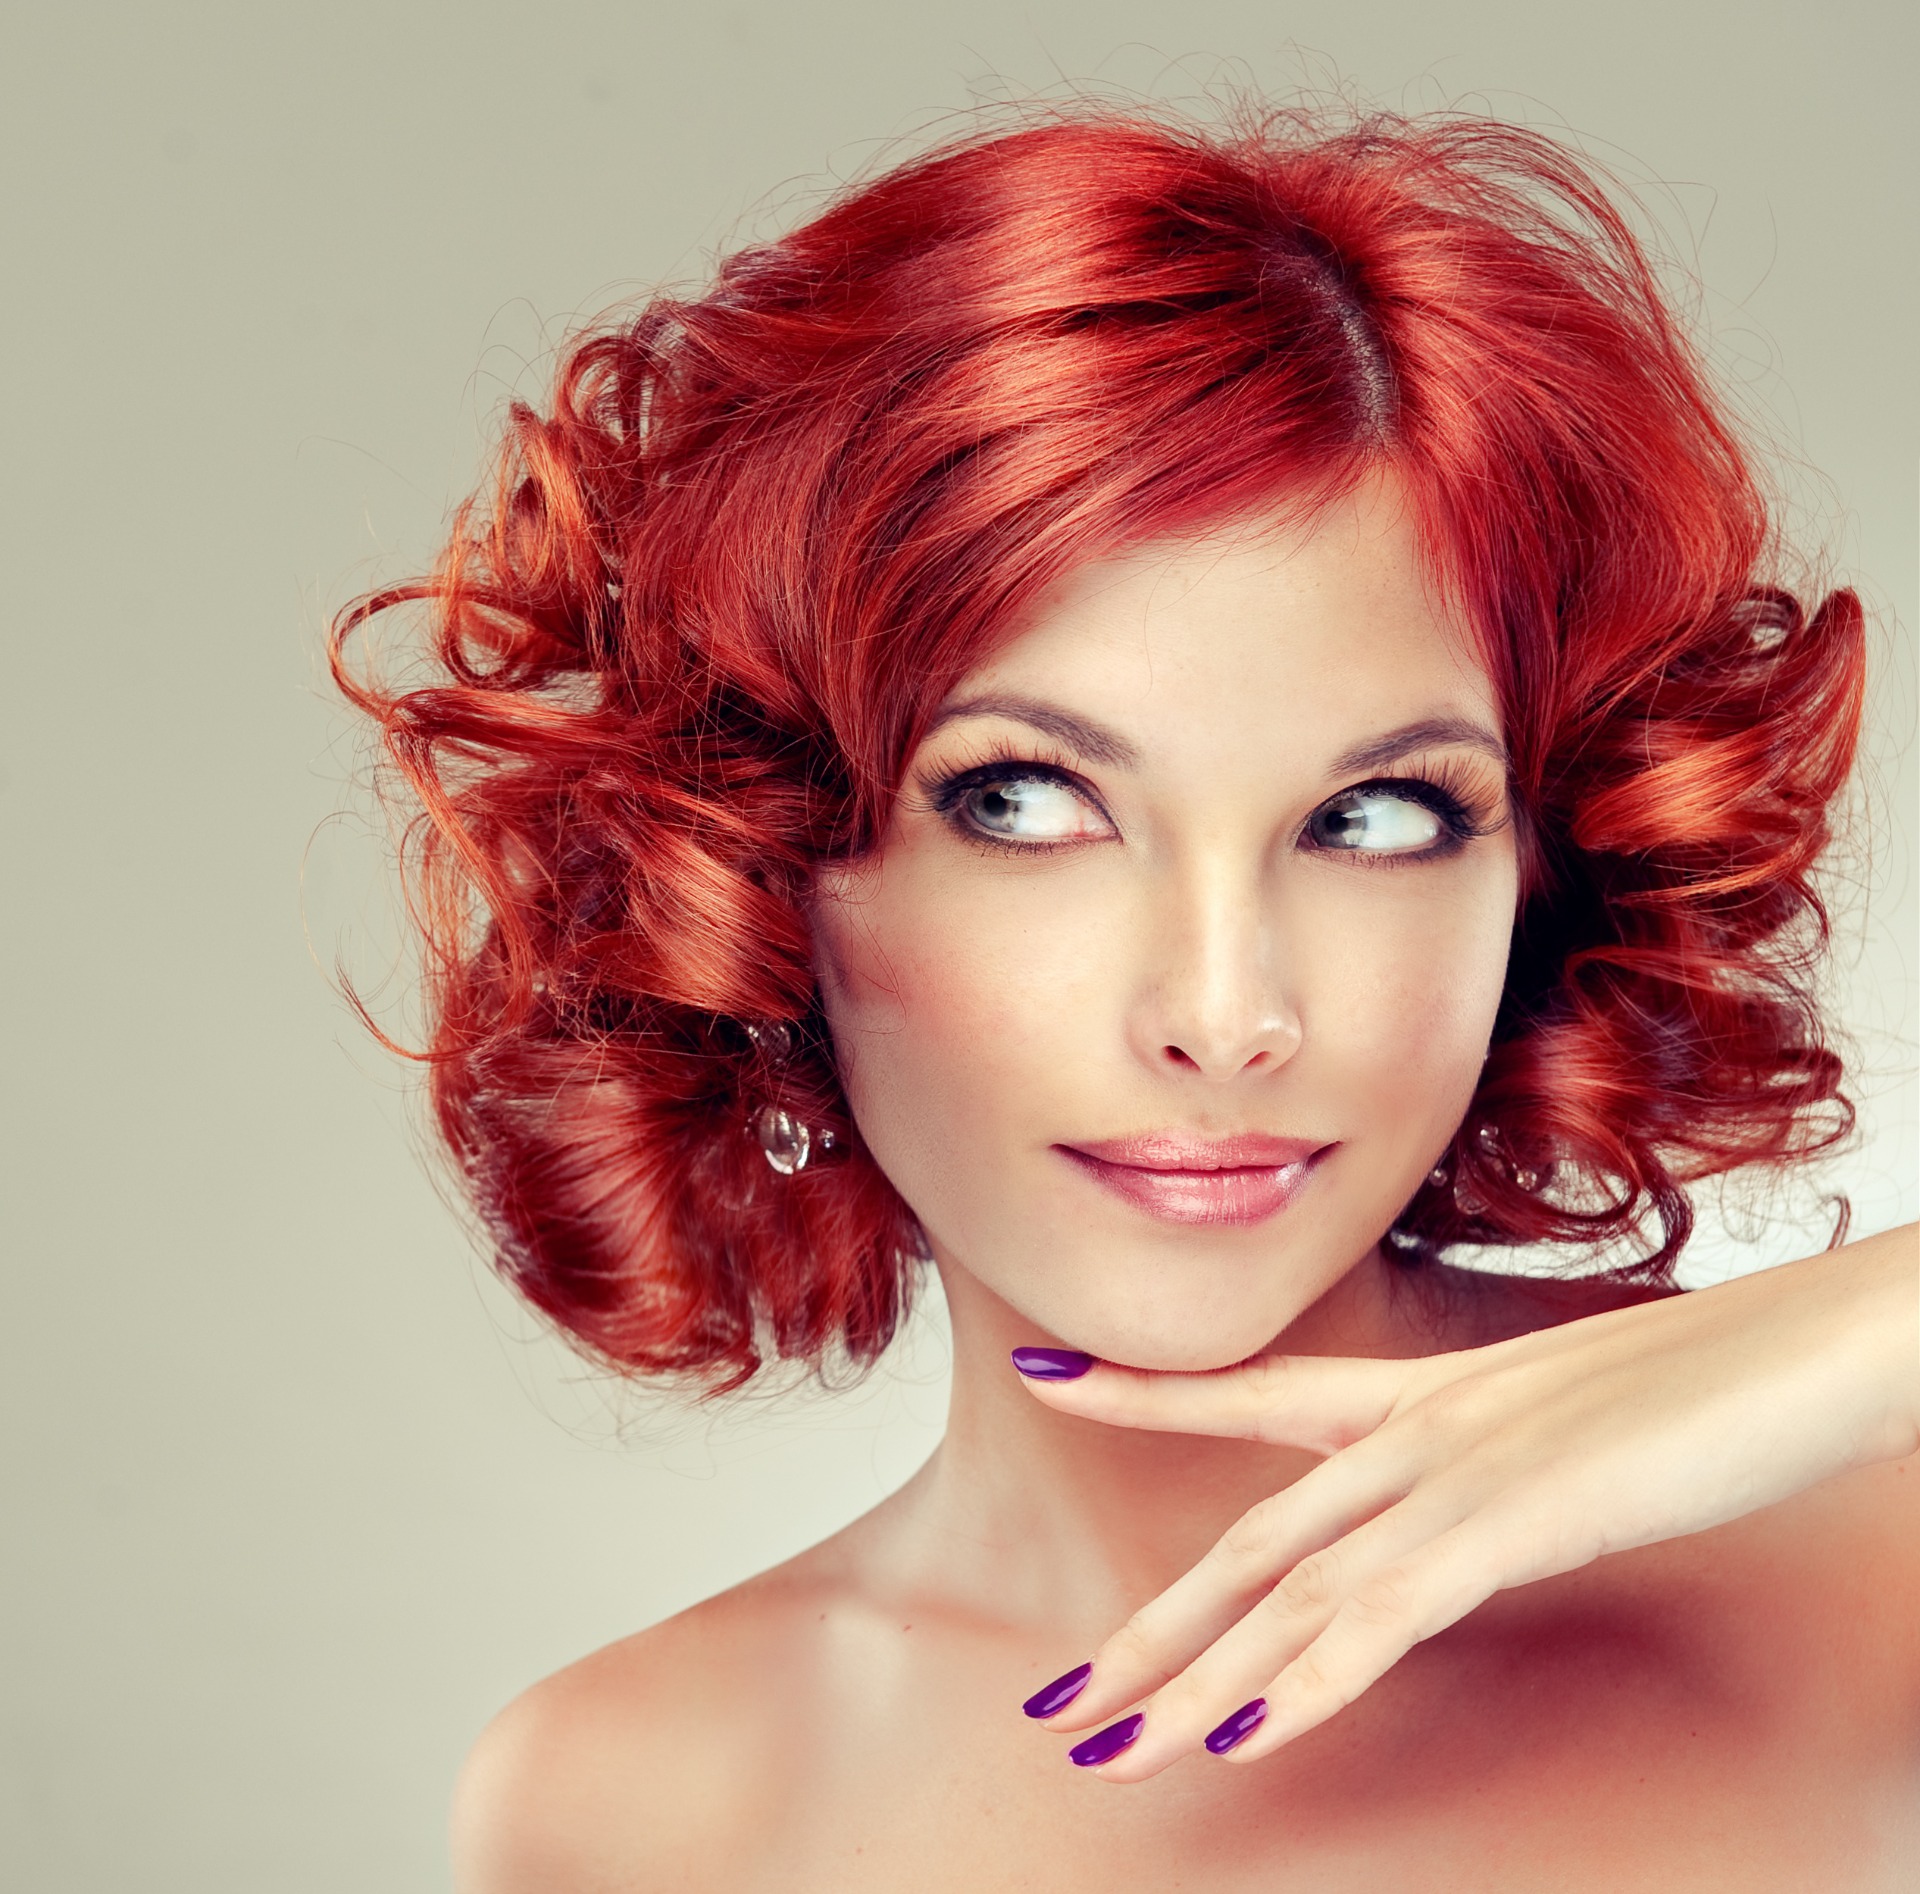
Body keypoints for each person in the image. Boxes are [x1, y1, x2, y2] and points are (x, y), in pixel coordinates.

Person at [334, 104, 1920, 1889]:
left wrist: (1881, 1337)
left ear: (1541, 875)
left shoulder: (1879, 1567)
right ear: (767, 860)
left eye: (1376, 816)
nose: (1228, 1014)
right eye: (1026, 802)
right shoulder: (629, 1806)